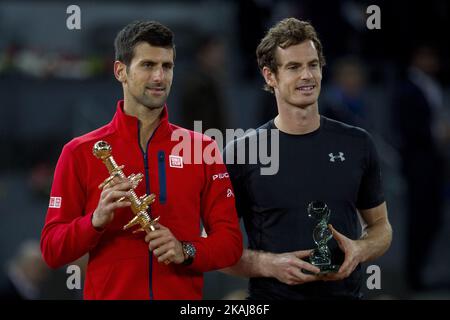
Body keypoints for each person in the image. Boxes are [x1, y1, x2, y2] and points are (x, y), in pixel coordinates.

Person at [40, 21, 243, 300]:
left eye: (167, 66)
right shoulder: (79, 152)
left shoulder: (202, 149)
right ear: (120, 71)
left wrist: (186, 250)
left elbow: (230, 244)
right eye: (148, 65)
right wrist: (95, 221)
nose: (160, 77)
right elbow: (52, 250)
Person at [223, 18, 392, 299]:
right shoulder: (242, 152)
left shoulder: (358, 143)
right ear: (269, 76)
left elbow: (381, 227)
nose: (307, 76)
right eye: (293, 67)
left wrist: (360, 249)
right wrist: (269, 264)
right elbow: (212, 246)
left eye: (313, 65)